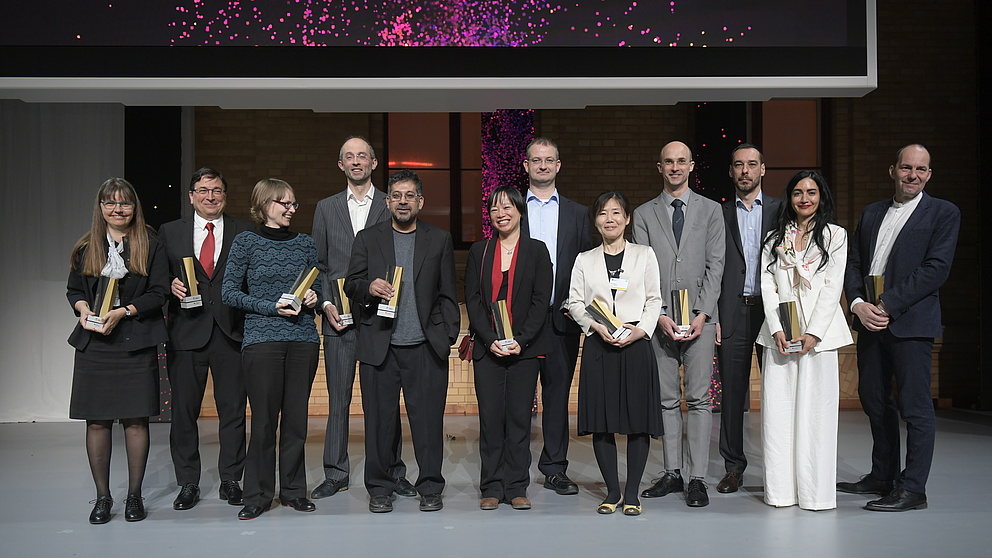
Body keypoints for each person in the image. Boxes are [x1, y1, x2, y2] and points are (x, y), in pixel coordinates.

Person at [839, 144, 960, 512]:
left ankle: (913, 489)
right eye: (906, 168)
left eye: (921, 170)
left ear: (929, 174)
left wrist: (887, 303)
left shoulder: (943, 213)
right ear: (893, 170)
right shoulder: (872, 212)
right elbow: (854, 263)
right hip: (870, 321)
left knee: (916, 408)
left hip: (910, 323)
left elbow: (935, 269)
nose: (913, 175)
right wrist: (858, 304)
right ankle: (883, 476)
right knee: (875, 401)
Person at [345, 169, 460, 513]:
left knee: (427, 422)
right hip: (380, 346)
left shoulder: (438, 239)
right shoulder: (368, 238)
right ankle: (380, 488)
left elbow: (448, 294)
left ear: (420, 201)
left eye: (410, 195)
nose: (403, 201)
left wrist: (447, 334)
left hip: (425, 347)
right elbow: (351, 282)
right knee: (379, 423)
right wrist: (368, 287)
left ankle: (430, 487)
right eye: (397, 195)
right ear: (388, 201)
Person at [311, 137, 413, 501]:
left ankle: (392, 471)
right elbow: (319, 265)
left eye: (362, 156)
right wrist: (325, 305)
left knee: (384, 402)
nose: (356, 162)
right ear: (341, 165)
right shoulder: (326, 208)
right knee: (338, 399)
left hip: (380, 320)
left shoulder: (391, 203)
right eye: (349, 157)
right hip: (337, 318)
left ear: (373, 163)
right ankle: (335, 472)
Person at [66, 178, 169, 524]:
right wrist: (82, 308)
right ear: (100, 209)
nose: (117, 209)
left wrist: (124, 312)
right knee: (97, 422)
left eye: (124, 203)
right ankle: (102, 497)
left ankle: (134, 497)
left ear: (134, 208)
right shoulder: (86, 247)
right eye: (110, 203)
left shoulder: (151, 246)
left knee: (135, 421)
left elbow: (158, 294)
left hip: (134, 343)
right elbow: (73, 290)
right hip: (94, 345)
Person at [221, 178, 321, 520]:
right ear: (265, 204)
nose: (292, 209)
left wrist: (314, 297)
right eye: (285, 203)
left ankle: (294, 491)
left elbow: (316, 285)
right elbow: (230, 293)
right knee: (263, 421)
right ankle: (258, 494)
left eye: (294, 204)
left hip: (303, 339)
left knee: (296, 421)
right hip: (262, 339)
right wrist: (270, 307)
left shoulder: (306, 243)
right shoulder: (246, 242)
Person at [633, 141, 725, 508]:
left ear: (691, 166)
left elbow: (716, 266)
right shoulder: (642, 214)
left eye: (681, 161)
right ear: (660, 167)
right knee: (666, 399)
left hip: (701, 317)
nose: (675, 167)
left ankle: (697, 478)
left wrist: (703, 314)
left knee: (700, 398)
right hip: (660, 319)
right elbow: (642, 269)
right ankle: (673, 473)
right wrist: (658, 316)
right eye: (668, 162)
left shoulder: (711, 210)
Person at [755, 171, 853, 511]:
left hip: (817, 339)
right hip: (781, 336)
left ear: (821, 196)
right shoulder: (774, 238)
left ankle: (816, 494)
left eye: (811, 192)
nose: (804, 198)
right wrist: (777, 327)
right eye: (797, 193)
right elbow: (768, 286)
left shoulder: (835, 236)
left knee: (816, 416)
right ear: (790, 198)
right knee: (779, 415)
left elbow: (832, 287)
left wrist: (813, 333)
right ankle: (780, 492)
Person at [159, 167, 253, 511]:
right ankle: (188, 483)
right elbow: (158, 275)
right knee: (184, 414)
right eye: (202, 190)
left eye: (216, 191)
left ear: (224, 196)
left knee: (233, 412)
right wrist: (170, 284)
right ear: (191, 196)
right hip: (185, 333)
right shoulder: (169, 232)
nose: (209, 196)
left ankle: (231, 479)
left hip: (231, 332)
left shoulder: (245, 231)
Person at [567, 191, 664, 516]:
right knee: (602, 421)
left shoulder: (644, 254)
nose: (610, 219)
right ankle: (611, 492)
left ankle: (632, 494)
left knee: (638, 422)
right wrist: (595, 328)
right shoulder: (585, 259)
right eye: (603, 214)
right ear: (595, 221)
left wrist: (641, 330)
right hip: (599, 345)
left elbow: (654, 299)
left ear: (627, 219)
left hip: (636, 345)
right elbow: (575, 303)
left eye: (616, 213)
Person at [465, 186, 553, 511]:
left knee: (518, 419)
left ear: (519, 210)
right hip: (487, 350)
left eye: (507, 207)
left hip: (524, 349)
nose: (501, 213)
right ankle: (490, 486)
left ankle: (516, 485)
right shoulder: (479, 251)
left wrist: (521, 339)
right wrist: (489, 339)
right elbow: (473, 301)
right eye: (495, 209)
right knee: (490, 419)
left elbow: (541, 301)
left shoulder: (537, 251)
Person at [521, 137, 593, 496]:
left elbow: (585, 268)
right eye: (537, 160)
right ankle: (515, 469)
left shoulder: (579, 214)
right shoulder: (514, 209)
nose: (543, 166)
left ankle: (554, 468)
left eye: (549, 160)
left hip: (563, 321)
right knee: (518, 398)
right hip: (521, 323)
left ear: (558, 165)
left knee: (556, 397)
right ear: (526, 166)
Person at [715, 144, 782, 494]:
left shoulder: (781, 211)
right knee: (733, 393)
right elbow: (711, 268)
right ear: (731, 171)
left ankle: (778, 466)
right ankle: (734, 467)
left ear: (763, 169)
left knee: (778, 390)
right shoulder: (718, 214)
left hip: (771, 313)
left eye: (752, 165)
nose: (745, 171)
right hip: (732, 311)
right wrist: (714, 314)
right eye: (738, 165)